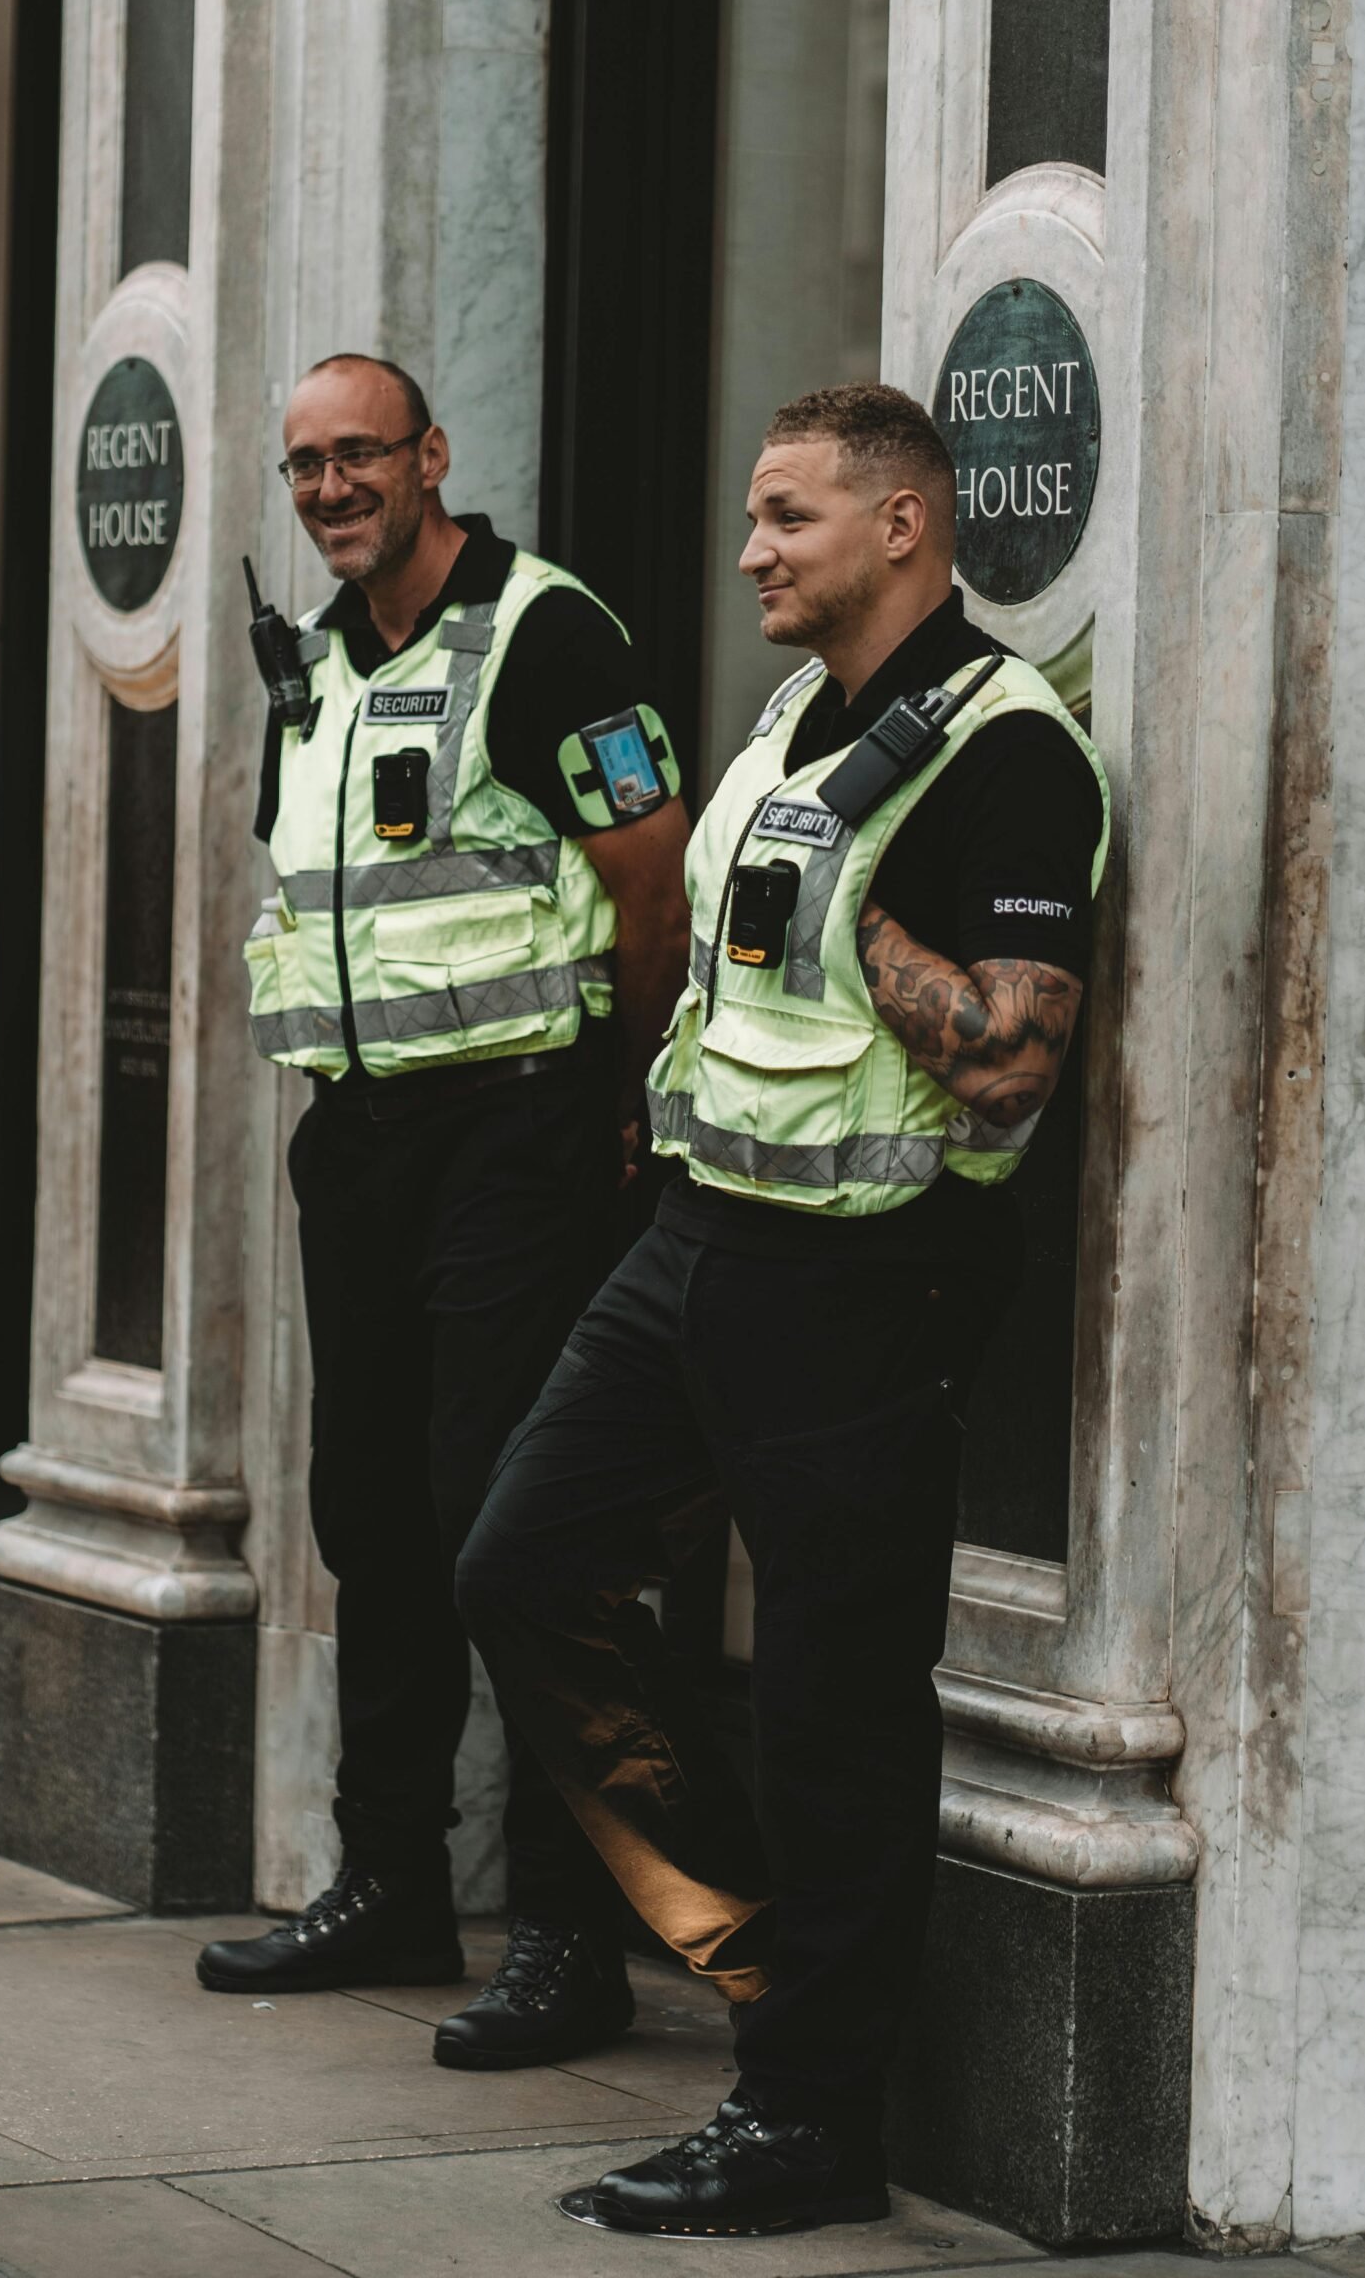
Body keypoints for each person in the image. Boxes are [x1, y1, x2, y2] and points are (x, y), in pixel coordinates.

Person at [456, 380, 1110, 2235]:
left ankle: (807, 2116)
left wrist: (863, 921)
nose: (750, 549)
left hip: (861, 1285)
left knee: (833, 1702)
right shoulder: (787, 725)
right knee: (518, 1561)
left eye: (787, 516)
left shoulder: (1005, 747)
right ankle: (754, 1939)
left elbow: (1009, 1067)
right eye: (754, 516)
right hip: (690, 1250)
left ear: (901, 524)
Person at [197, 354, 692, 2074]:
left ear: (431, 458)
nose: (330, 489)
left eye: (359, 457)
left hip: (520, 1136)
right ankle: (391, 1880)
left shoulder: (547, 634)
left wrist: (621, 1097)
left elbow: (653, 878)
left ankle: (574, 1933)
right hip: (365, 1144)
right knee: (375, 1516)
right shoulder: (321, 665)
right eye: (304, 467)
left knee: (513, 1527)